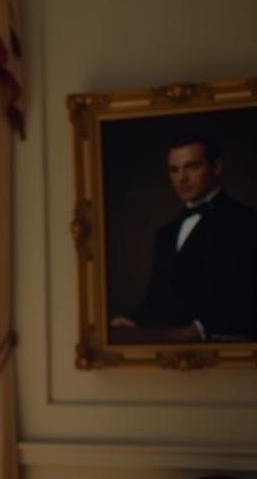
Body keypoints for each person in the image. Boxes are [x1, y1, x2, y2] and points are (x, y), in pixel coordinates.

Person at [110, 134, 257, 342]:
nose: (182, 178)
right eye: (174, 169)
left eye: (192, 166)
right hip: (171, 355)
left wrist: (202, 328)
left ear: (216, 167)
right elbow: (159, 297)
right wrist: (135, 321)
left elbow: (248, 295)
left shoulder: (247, 222)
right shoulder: (166, 233)